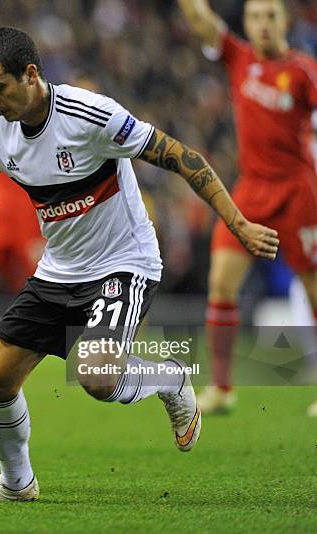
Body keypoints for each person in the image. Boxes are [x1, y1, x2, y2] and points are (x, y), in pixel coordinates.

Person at [0, 27, 279, 504]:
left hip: (124, 263)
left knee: (96, 377)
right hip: (59, 270)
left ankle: (170, 378)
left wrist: (237, 223)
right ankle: (16, 483)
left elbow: (182, 157)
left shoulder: (90, 115)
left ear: (30, 75)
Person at [177, 0, 317, 414]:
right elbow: (202, 21)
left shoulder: (304, 71)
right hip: (251, 191)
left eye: (271, 16)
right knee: (221, 282)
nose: (263, 25)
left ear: (284, 21)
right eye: (255, 17)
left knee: (312, 290)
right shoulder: (238, 58)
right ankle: (222, 389)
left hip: (297, 192)